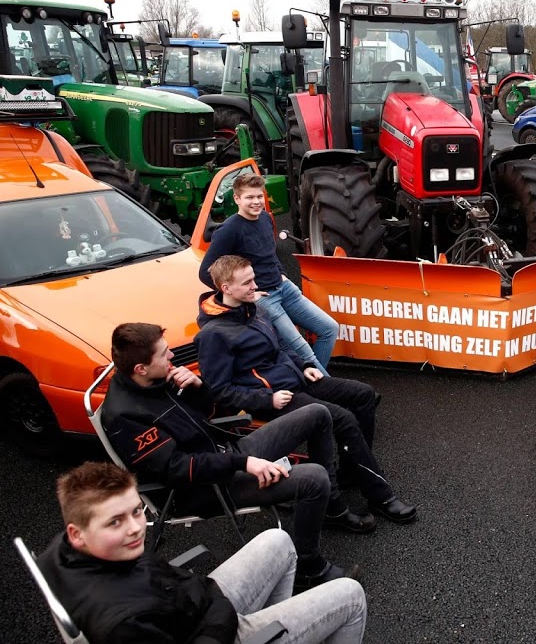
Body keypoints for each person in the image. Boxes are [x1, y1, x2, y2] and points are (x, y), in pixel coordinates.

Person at [101, 322, 373, 590]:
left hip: (225, 456)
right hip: (203, 487)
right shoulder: (127, 415)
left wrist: (198, 386)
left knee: (317, 414)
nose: (171, 355)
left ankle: (332, 509)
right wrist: (243, 462)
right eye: (164, 353)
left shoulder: (156, 380)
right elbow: (177, 468)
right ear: (141, 368)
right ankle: (308, 567)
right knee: (314, 477)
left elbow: (208, 412)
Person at [38, 462, 367, 644]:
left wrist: (210, 599)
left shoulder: (64, 554)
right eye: (115, 522)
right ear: (77, 534)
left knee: (277, 541)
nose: (136, 528)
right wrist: (219, 610)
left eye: (137, 511)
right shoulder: (123, 625)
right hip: (213, 630)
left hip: (189, 606)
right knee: (350, 596)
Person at [196, 255, 417, 524]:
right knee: (342, 419)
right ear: (225, 288)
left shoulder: (255, 309)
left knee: (363, 394)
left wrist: (303, 366)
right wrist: (268, 399)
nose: (256, 285)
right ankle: (379, 496)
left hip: (296, 380)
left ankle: (350, 473)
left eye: (253, 278)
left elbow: (281, 348)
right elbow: (219, 390)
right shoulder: (214, 334)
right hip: (277, 398)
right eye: (247, 282)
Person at [199, 173, 339, 375]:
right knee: (303, 351)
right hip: (263, 299)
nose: (256, 202)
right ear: (237, 199)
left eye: (259, 196)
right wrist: (245, 297)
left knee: (329, 329)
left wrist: (282, 273)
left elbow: (268, 252)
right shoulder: (228, 230)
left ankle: (309, 382)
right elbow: (205, 272)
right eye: (249, 198)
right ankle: (328, 390)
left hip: (284, 288)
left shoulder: (265, 218)